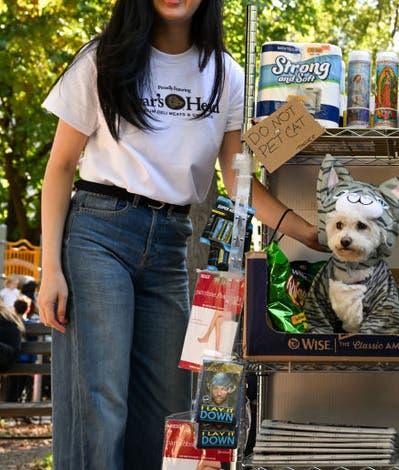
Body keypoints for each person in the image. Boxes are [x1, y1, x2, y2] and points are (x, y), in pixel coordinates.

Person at [37, 0, 323, 468]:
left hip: (171, 240)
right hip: (97, 232)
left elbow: (237, 179)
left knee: (167, 405)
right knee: (101, 396)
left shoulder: (226, 74)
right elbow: (61, 165)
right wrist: (52, 269)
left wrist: (305, 231)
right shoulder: (103, 58)